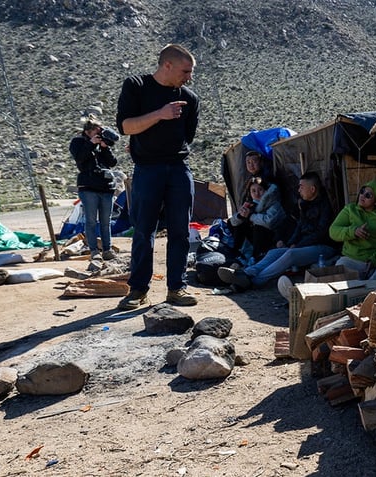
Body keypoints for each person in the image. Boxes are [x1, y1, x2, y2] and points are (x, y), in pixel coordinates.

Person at [115, 43, 200, 310]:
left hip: (178, 168)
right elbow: (126, 126)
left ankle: (177, 288)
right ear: (167, 65)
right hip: (147, 170)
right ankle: (138, 290)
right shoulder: (136, 86)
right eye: (186, 71)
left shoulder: (190, 99)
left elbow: (187, 138)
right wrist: (161, 115)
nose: (189, 77)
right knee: (143, 231)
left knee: (180, 232)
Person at [217, 172, 337, 289]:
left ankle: (255, 281)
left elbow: (320, 233)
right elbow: (300, 227)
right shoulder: (305, 204)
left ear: (312, 189)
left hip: (323, 247)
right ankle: (246, 273)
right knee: (274, 252)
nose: (299, 190)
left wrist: (297, 246)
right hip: (304, 245)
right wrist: (290, 243)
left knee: (291, 254)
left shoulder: (325, 206)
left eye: (301, 186)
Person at [329, 179, 376, 280]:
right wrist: (353, 231)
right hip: (352, 259)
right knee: (340, 268)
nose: (362, 196)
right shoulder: (350, 209)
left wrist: (375, 259)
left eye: (368, 195)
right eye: (362, 191)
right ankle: (367, 286)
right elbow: (333, 231)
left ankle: (369, 286)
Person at [69, 115, 118, 261]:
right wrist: (91, 144)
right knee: (90, 220)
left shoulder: (102, 143)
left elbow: (112, 163)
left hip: (105, 187)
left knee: (105, 221)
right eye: (97, 130)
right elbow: (80, 158)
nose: (100, 133)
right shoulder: (78, 142)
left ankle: (107, 250)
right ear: (89, 131)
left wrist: (104, 148)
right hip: (88, 187)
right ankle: (93, 250)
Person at [227, 176, 286, 261]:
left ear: (266, 190)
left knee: (259, 227)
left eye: (260, 190)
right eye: (253, 191)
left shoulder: (274, 203)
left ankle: (257, 257)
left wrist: (250, 216)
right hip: (256, 238)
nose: (257, 194)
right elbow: (233, 222)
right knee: (237, 222)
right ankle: (237, 252)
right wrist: (240, 215)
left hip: (273, 237)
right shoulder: (251, 204)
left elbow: (268, 222)